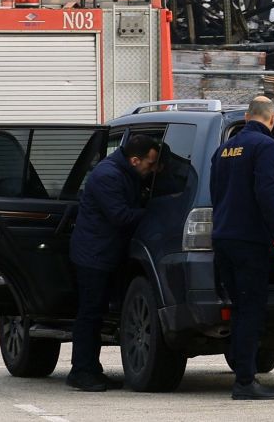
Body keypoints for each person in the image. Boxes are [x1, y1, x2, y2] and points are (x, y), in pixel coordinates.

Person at [65, 133, 160, 392]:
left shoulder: (124, 172)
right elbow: (120, 216)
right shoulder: (107, 175)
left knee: (96, 314)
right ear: (134, 160)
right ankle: (81, 371)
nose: (151, 170)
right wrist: (154, 212)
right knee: (89, 314)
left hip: (104, 253)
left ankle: (92, 369)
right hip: (93, 256)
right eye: (149, 164)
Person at [211, 96, 274, 401]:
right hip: (249, 241)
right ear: (272, 120)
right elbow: (266, 190)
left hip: (224, 238)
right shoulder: (267, 147)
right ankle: (245, 381)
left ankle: (243, 374)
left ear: (246, 117)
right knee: (251, 311)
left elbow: (215, 192)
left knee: (239, 307)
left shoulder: (223, 150)